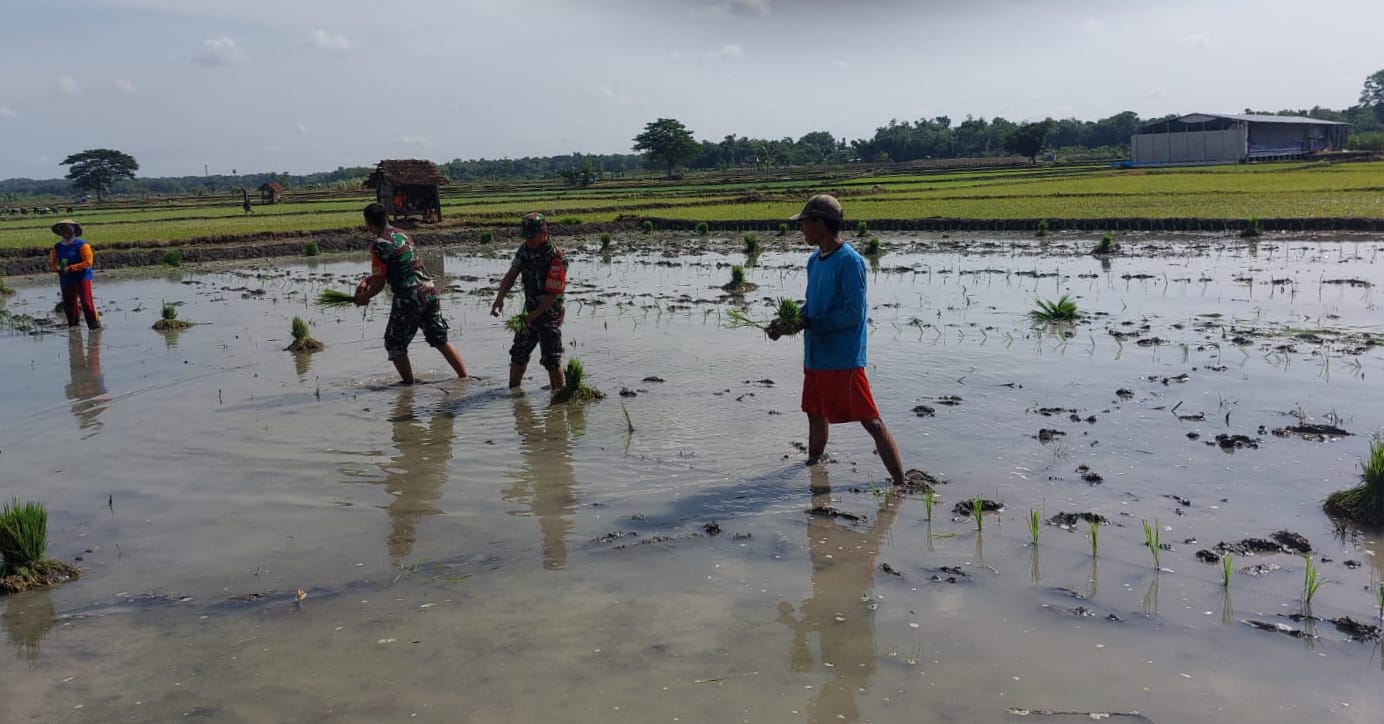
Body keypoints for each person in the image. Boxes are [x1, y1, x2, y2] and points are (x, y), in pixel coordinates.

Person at [769, 194, 905, 485]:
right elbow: (810, 306)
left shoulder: (849, 261)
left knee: (871, 420)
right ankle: (815, 467)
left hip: (843, 358)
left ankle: (900, 482)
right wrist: (787, 324)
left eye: (804, 224)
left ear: (820, 224)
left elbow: (854, 314)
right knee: (815, 413)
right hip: (816, 355)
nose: (801, 230)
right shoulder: (814, 261)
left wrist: (811, 321)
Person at [354, 203, 468, 384]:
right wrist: (367, 281)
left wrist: (364, 297)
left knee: (394, 344)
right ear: (387, 217)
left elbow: (380, 282)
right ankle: (464, 378)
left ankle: (409, 387)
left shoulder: (379, 244)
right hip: (429, 290)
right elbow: (399, 266)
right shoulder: (402, 234)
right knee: (439, 339)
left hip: (409, 296)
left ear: (368, 223)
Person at [489, 213, 567, 390]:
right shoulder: (524, 250)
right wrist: (499, 298)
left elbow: (553, 293)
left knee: (551, 359)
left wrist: (534, 315)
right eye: (526, 236)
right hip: (529, 311)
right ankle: (514, 393)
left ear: (544, 232)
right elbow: (512, 274)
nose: (529, 240)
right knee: (518, 353)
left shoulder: (556, 257)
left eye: (532, 236)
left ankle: (558, 401)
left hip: (549, 313)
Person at [48, 219, 101, 329]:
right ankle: (74, 327)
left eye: (68, 229)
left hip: (82, 276)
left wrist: (71, 268)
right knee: (69, 303)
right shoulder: (57, 247)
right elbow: (53, 263)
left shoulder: (82, 245)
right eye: (63, 229)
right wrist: (57, 268)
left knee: (86, 302)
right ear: (60, 232)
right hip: (66, 277)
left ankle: (94, 326)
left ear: (74, 231)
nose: (66, 232)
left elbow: (88, 262)